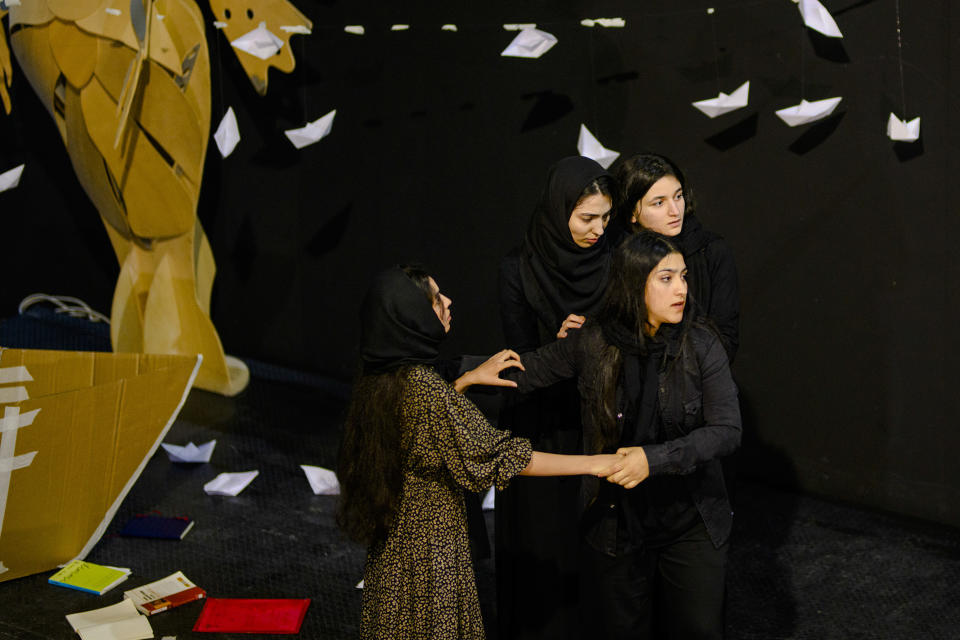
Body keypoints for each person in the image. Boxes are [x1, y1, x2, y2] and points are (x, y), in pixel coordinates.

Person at [336, 264, 622, 640]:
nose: (448, 301)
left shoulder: (383, 375)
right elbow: (504, 457)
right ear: (413, 318)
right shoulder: (425, 389)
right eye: (436, 299)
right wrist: (598, 462)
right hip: (430, 554)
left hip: (395, 549)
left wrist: (464, 381)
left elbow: (419, 433)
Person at [505, 232, 741, 639]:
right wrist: (455, 374)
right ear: (634, 283)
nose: (682, 288)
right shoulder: (594, 340)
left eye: (683, 276)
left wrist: (655, 459)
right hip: (614, 523)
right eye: (666, 278)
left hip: (690, 520)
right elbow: (524, 374)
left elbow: (726, 431)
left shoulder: (701, 343)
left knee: (698, 629)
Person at [496, 156, 617, 639]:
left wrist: (600, 336)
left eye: (606, 218)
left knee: (597, 554)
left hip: (602, 418)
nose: (598, 229)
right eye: (587, 217)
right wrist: (561, 346)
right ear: (558, 209)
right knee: (545, 547)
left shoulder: (617, 260)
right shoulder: (518, 268)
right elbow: (518, 361)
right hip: (543, 423)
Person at [615, 153, 740, 361]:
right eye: (659, 203)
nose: (675, 211)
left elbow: (726, 339)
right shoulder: (617, 255)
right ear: (632, 213)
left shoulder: (711, 250)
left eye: (678, 196)